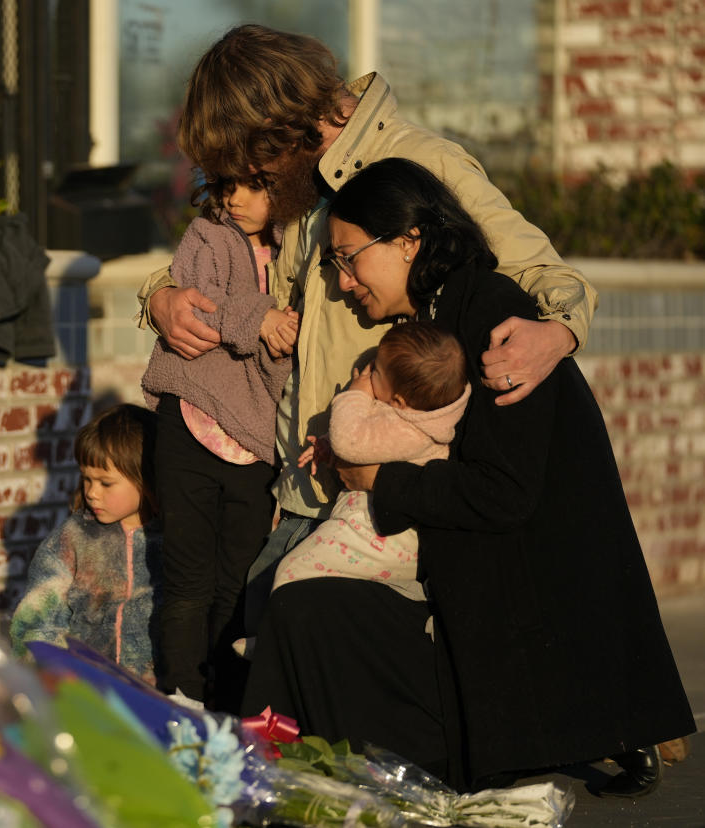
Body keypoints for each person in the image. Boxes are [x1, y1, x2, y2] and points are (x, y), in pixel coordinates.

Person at [243, 158, 696, 796]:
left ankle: (278, 775)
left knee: (307, 611)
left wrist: (376, 479)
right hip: (478, 587)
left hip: (514, 620)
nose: (343, 283)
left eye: (348, 258)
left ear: (407, 240)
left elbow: (503, 492)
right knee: (301, 608)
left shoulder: (491, 319)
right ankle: (279, 772)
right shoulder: (442, 316)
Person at [134, 24, 598, 637]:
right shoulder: (300, 182)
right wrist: (159, 296)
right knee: (258, 657)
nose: (247, 178)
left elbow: (541, 270)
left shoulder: (420, 163)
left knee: (305, 677)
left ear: (283, 123)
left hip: (378, 494)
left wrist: (560, 330)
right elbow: (228, 263)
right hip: (302, 485)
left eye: (252, 161)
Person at [140, 175, 299, 710]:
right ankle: (182, 701)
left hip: (258, 441)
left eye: (256, 186)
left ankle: (229, 708)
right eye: (228, 185)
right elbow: (198, 305)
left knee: (239, 583)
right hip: (191, 418)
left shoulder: (302, 242)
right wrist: (262, 317)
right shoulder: (208, 232)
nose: (235, 198)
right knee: (187, 580)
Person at [269, 322, 469, 605]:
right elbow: (365, 440)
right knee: (323, 591)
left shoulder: (410, 430)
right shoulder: (408, 417)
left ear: (398, 400)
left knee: (295, 571)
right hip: (369, 530)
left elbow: (350, 441)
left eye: (375, 371)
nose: (366, 372)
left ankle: (270, 641)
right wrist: (327, 447)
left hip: (377, 536)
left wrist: (356, 394)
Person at [9, 403, 161, 684]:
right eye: (87, 479)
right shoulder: (71, 539)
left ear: (146, 478)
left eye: (105, 483)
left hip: (159, 699)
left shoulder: (173, 541)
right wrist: (51, 677)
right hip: (85, 692)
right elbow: (36, 621)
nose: (91, 492)